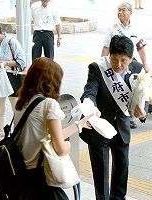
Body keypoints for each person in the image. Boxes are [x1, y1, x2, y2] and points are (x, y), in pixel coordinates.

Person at [12, 57, 93, 199]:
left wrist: (79, 124)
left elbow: (52, 134)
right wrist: (68, 145)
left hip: (21, 173)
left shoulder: (23, 102)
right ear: (51, 81)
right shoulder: (49, 104)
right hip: (39, 177)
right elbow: (60, 148)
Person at [80, 35, 146, 199]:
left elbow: (143, 94)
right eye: (114, 59)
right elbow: (89, 91)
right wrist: (91, 107)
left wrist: (140, 108)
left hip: (121, 127)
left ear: (131, 59)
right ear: (109, 55)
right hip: (100, 126)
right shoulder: (98, 68)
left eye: (123, 60)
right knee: (101, 172)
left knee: (122, 168)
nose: (118, 65)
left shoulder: (138, 69)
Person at [101, 2, 150, 129]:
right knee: (116, 88)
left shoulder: (136, 29)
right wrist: (102, 64)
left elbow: (141, 48)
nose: (120, 13)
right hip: (115, 65)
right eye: (118, 10)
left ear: (130, 12)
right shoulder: (113, 28)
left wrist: (145, 65)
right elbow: (106, 47)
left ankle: (130, 114)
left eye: (123, 10)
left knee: (131, 89)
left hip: (130, 65)